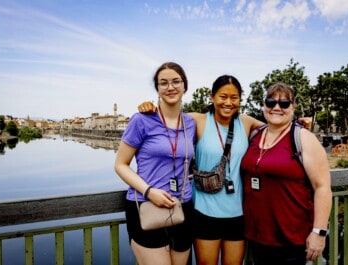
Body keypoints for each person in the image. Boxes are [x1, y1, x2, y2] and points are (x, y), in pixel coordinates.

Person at [139, 75, 264, 265]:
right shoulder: (197, 120)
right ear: (212, 96)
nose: (228, 103)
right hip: (204, 212)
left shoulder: (246, 122)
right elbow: (167, 118)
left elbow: (276, 127)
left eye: (234, 97)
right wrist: (150, 108)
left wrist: (299, 125)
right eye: (223, 96)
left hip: (238, 213)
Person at [240, 82, 332, 265]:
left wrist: (319, 232)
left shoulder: (303, 138)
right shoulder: (255, 135)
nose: (276, 108)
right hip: (258, 236)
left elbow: (322, 187)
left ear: (293, 108)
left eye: (284, 104)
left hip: (292, 239)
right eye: (270, 102)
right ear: (264, 106)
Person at [114, 62, 196, 265]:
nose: (170, 87)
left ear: (185, 86)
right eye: (163, 83)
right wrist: (150, 191)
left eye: (176, 81)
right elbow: (120, 164)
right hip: (146, 205)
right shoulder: (141, 120)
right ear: (157, 89)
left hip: (182, 207)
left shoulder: (191, 123)